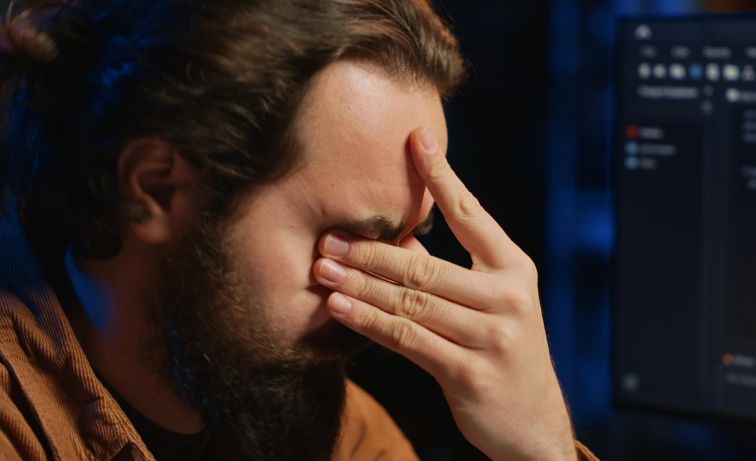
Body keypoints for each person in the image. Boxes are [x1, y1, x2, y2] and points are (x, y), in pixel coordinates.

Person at [0, 0, 598, 460]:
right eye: (351, 238)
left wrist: (539, 444)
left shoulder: (346, 432)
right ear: (157, 187)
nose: (393, 299)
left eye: (410, 237)